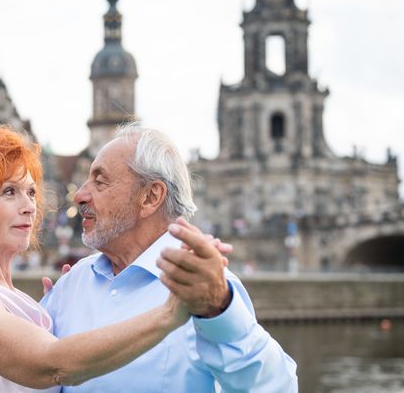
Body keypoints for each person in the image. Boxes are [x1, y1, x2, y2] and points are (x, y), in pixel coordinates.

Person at [0, 119, 210, 392]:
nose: (28, 206)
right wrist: (169, 315)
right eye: (9, 192)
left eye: (31, 192)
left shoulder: (15, 299)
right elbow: (53, 365)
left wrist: (71, 312)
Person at [41, 124, 298, 392]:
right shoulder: (73, 282)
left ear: (150, 197)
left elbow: (276, 387)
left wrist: (219, 310)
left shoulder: (205, 289)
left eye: (100, 181)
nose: (80, 195)